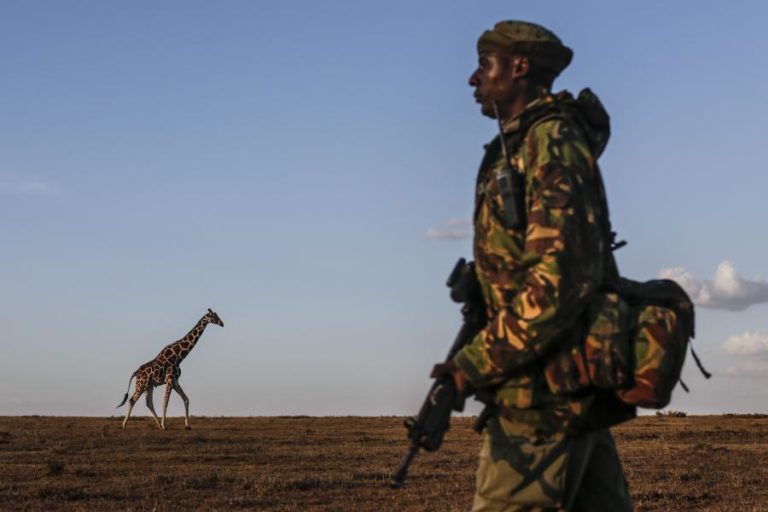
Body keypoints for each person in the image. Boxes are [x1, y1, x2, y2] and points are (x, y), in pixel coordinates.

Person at [430, 21, 635, 511]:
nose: (473, 80)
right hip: (562, 390)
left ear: (519, 68)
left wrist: (469, 368)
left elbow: (557, 283)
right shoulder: (519, 146)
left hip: (543, 399)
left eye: (485, 65)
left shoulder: (551, 142)